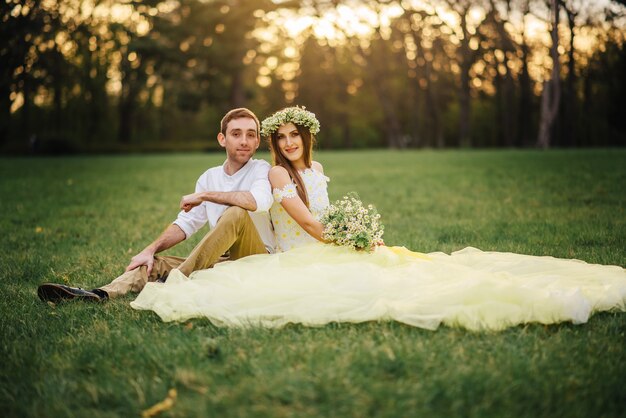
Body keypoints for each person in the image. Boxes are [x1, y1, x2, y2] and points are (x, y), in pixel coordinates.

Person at [130, 106, 626, 331]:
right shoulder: (276, 178)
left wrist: (356, 234)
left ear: (306, 137)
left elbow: (322, 211)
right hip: (302, 251)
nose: (286, 144)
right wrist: (350, 237)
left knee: (410, 273)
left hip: (324, 246)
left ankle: (155, 267)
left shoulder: (316, 168)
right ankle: (155, 269)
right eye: (278, 138)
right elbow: (307, 226)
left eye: (292, 136)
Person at [38, 108, 276, 303]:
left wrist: (205, 196)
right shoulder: (209, 176)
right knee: (154, 264)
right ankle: (99, 293)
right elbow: (186, 224)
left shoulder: (261, 169)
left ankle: (174, 283)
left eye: (251, 135)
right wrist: (150, 250)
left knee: (236, 213)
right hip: (218, 259)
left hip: (255, 259)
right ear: (222, 139)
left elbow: (258, 202)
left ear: (257, 142)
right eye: (236, 134)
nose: (244, 141)